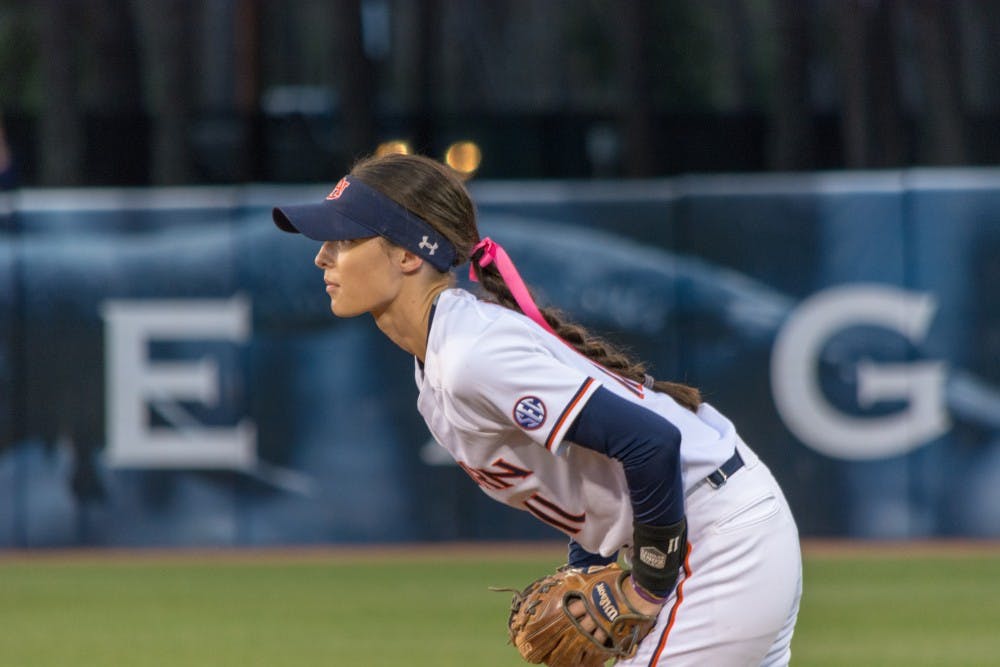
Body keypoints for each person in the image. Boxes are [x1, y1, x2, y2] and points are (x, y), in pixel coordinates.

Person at [272, 153, 802, 666]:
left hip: (712, 542)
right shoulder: (440, 360)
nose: (323, 256)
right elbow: (586, 475)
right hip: (721, 528)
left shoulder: (469, 355)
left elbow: (652, 442)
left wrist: (647, 586)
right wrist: (585, 570)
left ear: (410, 254)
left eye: (345, 240)